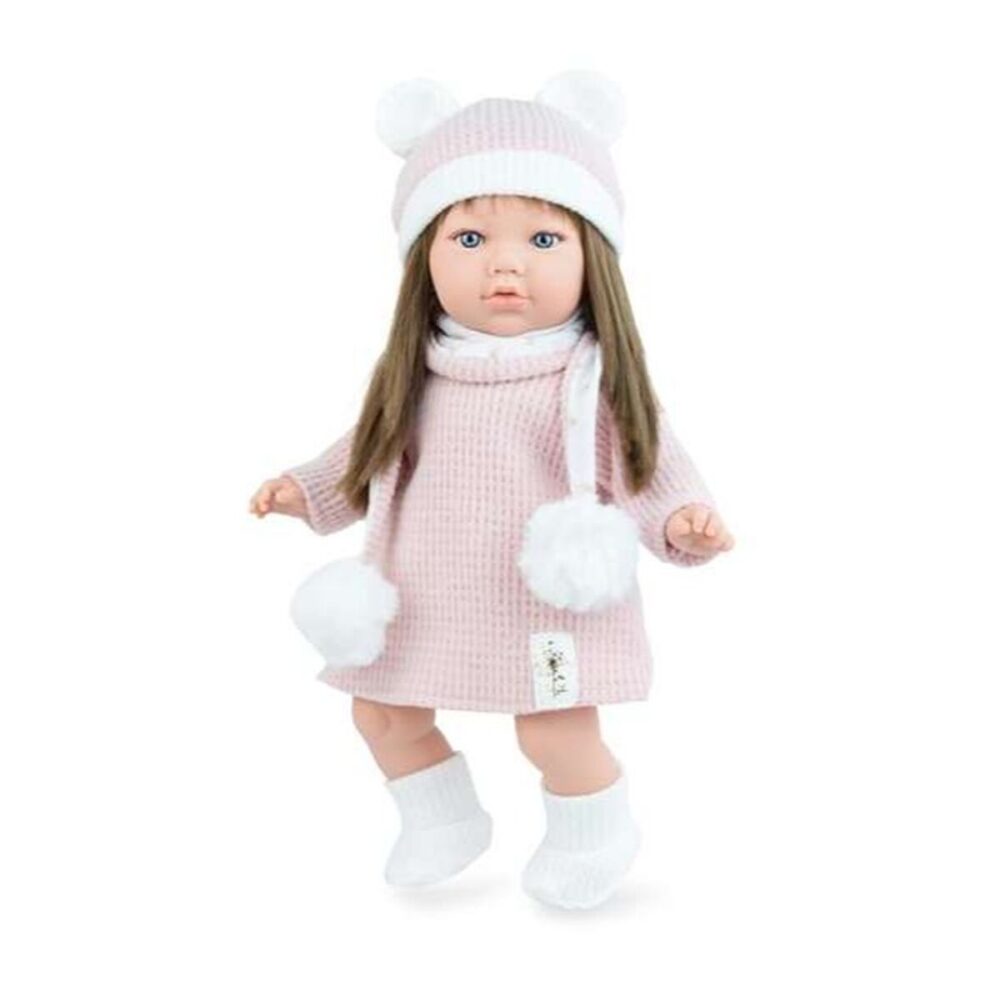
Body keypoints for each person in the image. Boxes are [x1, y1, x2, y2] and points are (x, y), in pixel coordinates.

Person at [249, 71, 734, 910]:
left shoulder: (587, 381)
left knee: (554, 729)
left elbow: (649, 462)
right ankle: (442, 820)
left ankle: (595, 833)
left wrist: (681, 519)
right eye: (470, 238)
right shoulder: (418, 373)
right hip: (425, 594)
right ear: (424, 258)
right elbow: (366, 453)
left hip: (542, 603)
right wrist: (307, 489)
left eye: (543, 239)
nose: (506, 263)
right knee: (382, 715)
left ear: (592, 258)